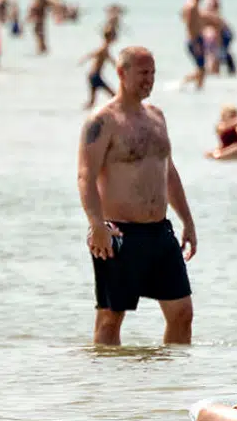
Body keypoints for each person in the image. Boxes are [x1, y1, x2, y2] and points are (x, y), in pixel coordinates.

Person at [77, 46, 197, 346]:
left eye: (153, 73)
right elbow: (85, 176)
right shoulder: (103, 121)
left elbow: (168, 172)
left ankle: (170, 375)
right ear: (121, 73)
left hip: (160, 232)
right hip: (118, 233)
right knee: (110, 318)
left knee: (182, 313)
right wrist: (96, 225)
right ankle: (108, 376)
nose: (149, 79)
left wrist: (187, 221)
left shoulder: (157, 116)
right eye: (143, 73)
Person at [80, 31, 117, 109]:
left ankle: (79, 112)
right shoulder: (104, 48)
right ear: (109, 37)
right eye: (113, 36)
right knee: (114, 96)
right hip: (95, 76)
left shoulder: (105, 48)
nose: (115, 38)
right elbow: (93, 54)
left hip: (93, 75)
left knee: (91, 102)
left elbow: (112, 61)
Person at [181, 0, 207, 90]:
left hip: (195, 38)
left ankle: (196, 89)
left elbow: (183, 17)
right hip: (194, 39)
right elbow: (189, 24)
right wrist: (195, 43)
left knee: (201, 69)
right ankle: (186, 84)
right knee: (202, 69)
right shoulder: (192, 5)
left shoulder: (190, 3)